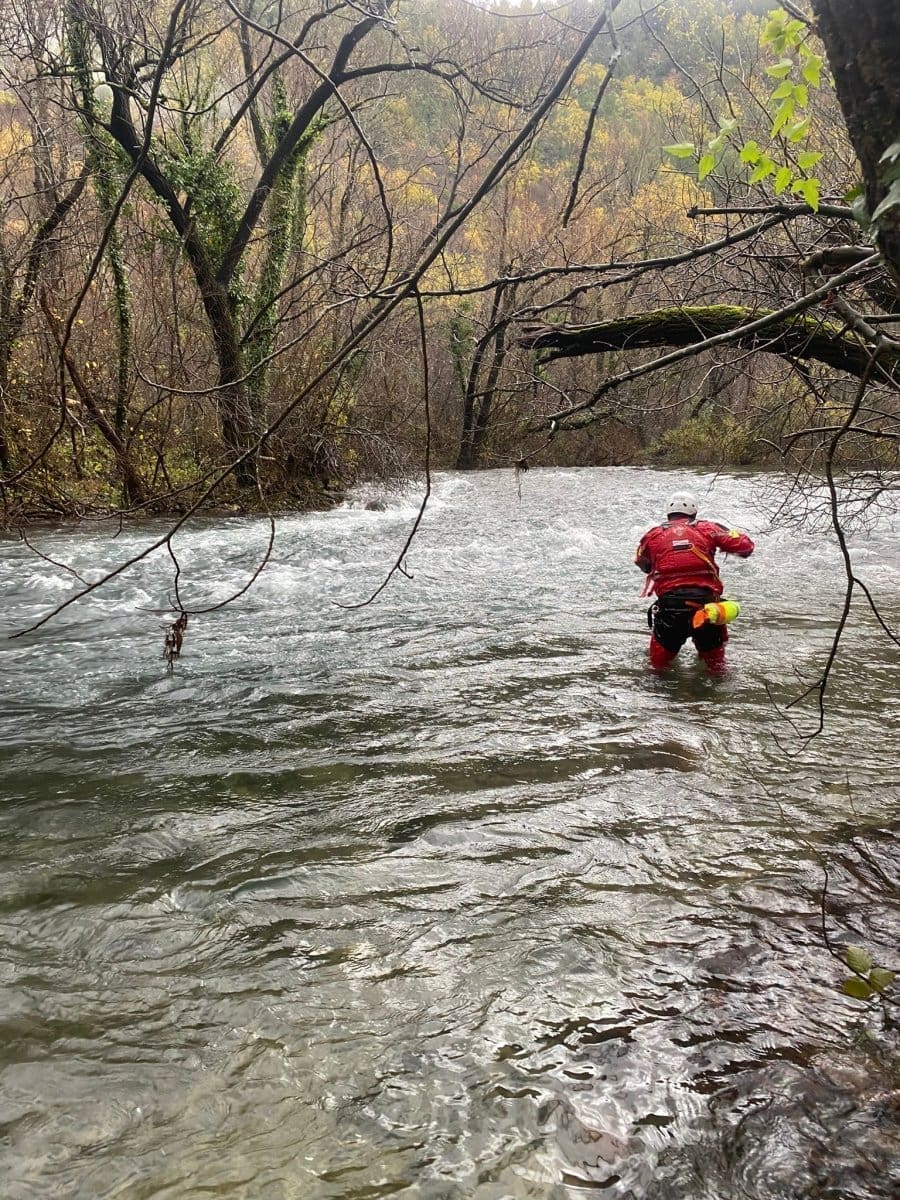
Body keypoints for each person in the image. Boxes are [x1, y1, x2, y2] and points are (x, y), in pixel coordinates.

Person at [635, 490, 755, 674]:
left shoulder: (652, 535)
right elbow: (746, 547)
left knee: (656, 670)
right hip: (706, 608)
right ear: (694, 512)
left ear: (668, 512)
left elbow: (643, 563)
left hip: (670, 608)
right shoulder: (709, 528)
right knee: (717, 669)